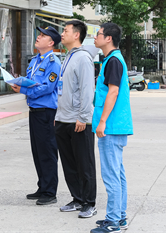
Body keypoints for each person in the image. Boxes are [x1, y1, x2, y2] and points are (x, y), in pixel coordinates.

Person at [11, 26, 61, 206]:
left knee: (47, 152)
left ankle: (50, 192)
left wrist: (23, 89)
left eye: (42, 36)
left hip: (46, 112)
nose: (38, 38)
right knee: (38, 151)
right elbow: (30, 81)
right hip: (34, 111)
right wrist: (19, 83)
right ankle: (42, 186)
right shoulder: (35, 61)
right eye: (38, 35)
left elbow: (47, 87)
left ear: (51, 42)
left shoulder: (53, 62)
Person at [91, 23, 133, 233]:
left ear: (108, 38)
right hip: (116, 125)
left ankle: (113, 221)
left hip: (112, 126)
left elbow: (113, 92)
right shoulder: (111, 60)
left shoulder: (113, 61)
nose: (95, 38)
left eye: (98, 34)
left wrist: (102, 122)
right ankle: (120, 216)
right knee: (117, 173)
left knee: (111, 175)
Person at [55, 20, 98, 219]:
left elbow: (88, 90)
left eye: (65, 31)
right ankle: (77, 198)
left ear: (77, 35)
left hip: (79, 121)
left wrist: (83, 117)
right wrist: (58, 116)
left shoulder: (83, 58)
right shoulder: (68, 57)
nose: (62, 34)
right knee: (69, 163)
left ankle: (89, 203)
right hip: (63, 119)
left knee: (84, 163)